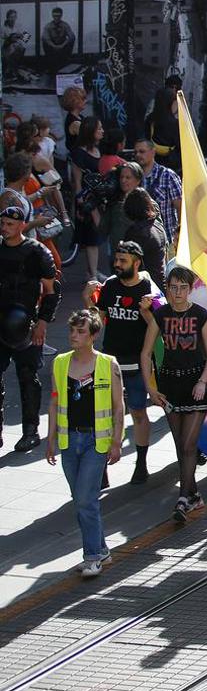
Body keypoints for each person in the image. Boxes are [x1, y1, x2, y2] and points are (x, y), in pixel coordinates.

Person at [45, 308, 124, 578]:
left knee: (85, 499)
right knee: (82, 500)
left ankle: (92, 557)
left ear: (93, 336)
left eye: (80, 332)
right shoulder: (60, 363)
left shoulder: (108, 364)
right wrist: (51, 439)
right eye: (72, 331)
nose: (74, 336)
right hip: (69, 441)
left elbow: (118, 407)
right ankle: (101, 549)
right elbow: (55, 402)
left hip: (95, 441)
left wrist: (116, 441)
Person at [139, 265, 207, 522]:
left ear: (190, 288)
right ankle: (193, 493)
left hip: (195, 388)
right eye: (173, 287)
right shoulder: (160, 315)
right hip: (170, 387)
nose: (178, 292)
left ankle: (183, 499)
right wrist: (151, 388)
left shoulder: (200, 314)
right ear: (168, 289)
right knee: (179, 446)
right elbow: (146, 353)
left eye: (183, 287)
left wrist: (203, 382)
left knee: (188, 445)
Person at [0, 203, 60, 453]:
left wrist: (42, 323)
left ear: (22, 225)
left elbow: (51, 291)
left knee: (28, 379)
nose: (5, 228)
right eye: (2, 223)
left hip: (28, 325)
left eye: (10, 224)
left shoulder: (36, 252)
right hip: (1, 324)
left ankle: (30, 431)